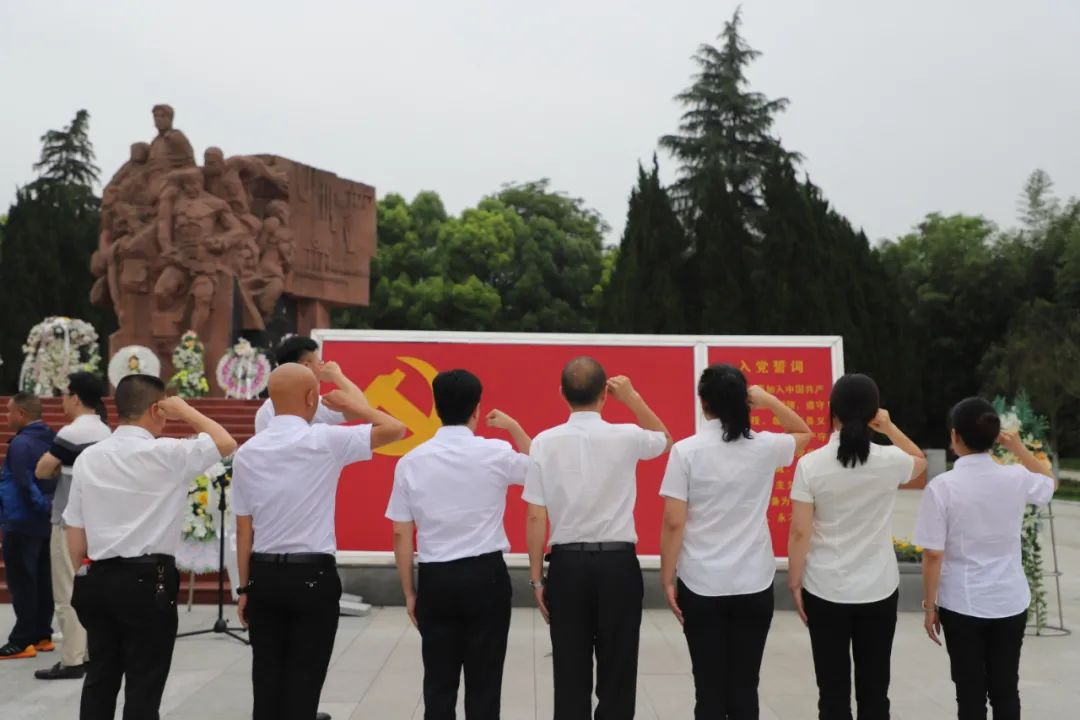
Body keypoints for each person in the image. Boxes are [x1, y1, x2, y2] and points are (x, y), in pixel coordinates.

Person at [232, 363, 405, 720]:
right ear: (312, 397)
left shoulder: (247, 452)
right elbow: (395, 429)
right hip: (312, 575)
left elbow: (244, 529)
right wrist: (354, 407)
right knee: (305, 680)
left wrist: (244, 588)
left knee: (266, 677)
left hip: (263, 574)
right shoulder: (324, 440)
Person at [64, 375, 237, 719]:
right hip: (147, 580)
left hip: (97, 577)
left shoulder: (89, 457)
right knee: (144, 684)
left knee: (99, 678)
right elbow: (225, 442)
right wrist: (186, 410)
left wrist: (82, 575)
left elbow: (74, 530)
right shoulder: (168, 453)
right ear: (158, 409)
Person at [659, 365, 812, 719]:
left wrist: (667, 578)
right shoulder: (765, 446)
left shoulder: (686, 451)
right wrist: (769, 400)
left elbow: (673, 521)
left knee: (708, 687)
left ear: (703, 402)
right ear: (745, 401)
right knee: (745, 685)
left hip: (700, 582)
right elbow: (803, 432)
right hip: (753, 582)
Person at [524, 357, 672, 720]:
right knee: (619, 668)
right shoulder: (628, 435)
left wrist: (537, 579)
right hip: (618, 564)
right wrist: (632, 398)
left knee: (569, 672)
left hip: (567, 565)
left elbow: (535, 515)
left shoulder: (543, 442)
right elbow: (665, 440)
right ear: (605, 394)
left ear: (562, 393)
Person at [386, 369, 532, 720]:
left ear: (436, 408)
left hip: (436, 579)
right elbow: (541, 469)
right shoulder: (496, 452)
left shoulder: (411, 462)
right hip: (486, 576)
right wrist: (514, 427)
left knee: (438, 682)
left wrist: (409, 592)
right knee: (485, 681)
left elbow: (401, 534)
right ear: (477, 408)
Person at [787, 374, 927, 720]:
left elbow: (800, 531)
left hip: (824, 587)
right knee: (875, 690)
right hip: (878, 587)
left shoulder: (810, 465)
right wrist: (890, 428)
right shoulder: (890, 460)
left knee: (832, 692)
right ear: (873, 413)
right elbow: (919, 460)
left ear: (831, 411)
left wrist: (794, 581)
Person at [914, 398, 1056, 720]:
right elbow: (1049, 483)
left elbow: (933, 553)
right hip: (1009, 598)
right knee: (1006, 689)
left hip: (962, 602)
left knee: (970, 694)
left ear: (954, 436)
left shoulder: (942, 487)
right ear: (995, 437)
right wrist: (1019, 448)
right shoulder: (1016, 477)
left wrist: (929, 606)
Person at [32, 373, 112, 679]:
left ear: (76, 397)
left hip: (68, 520)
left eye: (65, 395)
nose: (62, 401)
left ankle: (72, 659)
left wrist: (56, 470)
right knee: (91, 589)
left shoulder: (72, 432)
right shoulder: (105, 430)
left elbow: (42, 470)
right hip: (96, 521)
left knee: (66, 591)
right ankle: (89, 652)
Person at [0, 393, 56, 660]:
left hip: (23, 520)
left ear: (21, 414)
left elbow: (24, 482)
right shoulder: (50, 437)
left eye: (9, 411)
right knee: (43, 578)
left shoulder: (21, 444)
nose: (6, 416)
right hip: (45, 521)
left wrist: (39, 507)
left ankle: (22, 639)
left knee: (22, 580)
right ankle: (42, 634)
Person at [253, 336, 357, 433]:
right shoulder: (269, 410)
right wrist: (337, 376)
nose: (322, 367)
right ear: (307, 366)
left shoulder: (266, 410)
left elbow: (358, 408)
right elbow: (359, 407)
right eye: (320, 363)